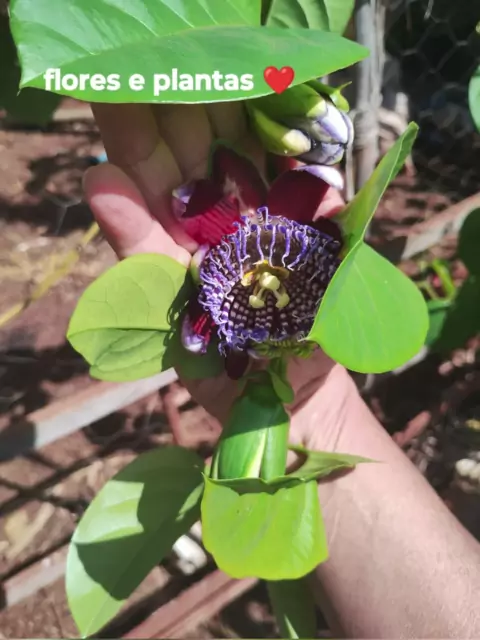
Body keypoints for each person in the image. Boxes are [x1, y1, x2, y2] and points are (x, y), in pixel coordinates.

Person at [84, 101, 480, 638]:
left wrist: (318, 408)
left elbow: (322, 247)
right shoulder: (220, 309)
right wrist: (317, 415)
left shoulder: (278, 278)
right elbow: (198, 328)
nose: (265, 281)